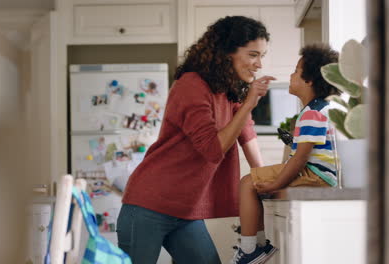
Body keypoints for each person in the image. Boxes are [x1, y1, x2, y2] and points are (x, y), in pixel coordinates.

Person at [117, 16, 276, 264]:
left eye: (262, 56)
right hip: (148, 204)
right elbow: (213, 150)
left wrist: (267, 180)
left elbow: (246, 133)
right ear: (226, 53)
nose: (259, 65)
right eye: (253, 55)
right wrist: (249, 104)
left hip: (185, 211)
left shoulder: (228, 92)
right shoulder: (192, 85)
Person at [231, 44, 341, 264]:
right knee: (252, 185)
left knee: (247, 183)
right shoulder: (320, 109)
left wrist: (274, 184)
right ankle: (256, 246)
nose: (290, 76)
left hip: (316, 177)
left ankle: (251, 249)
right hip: (321, 176)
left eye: (295, 71)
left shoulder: (311, 113)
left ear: (309, 80)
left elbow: (300, 159)